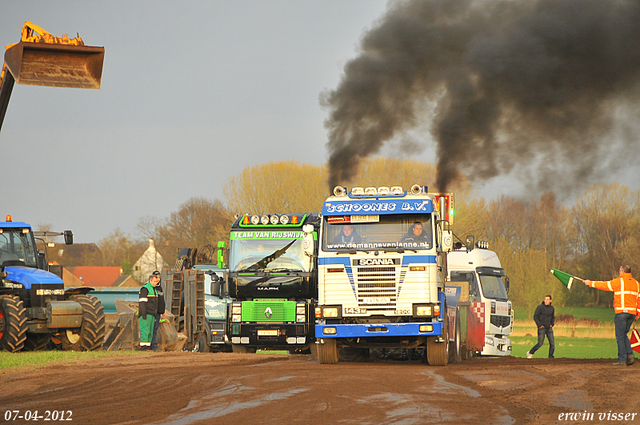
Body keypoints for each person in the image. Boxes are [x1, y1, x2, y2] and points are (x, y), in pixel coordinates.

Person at [584, 265, 640, 366]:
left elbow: (605, 285)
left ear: (623, 271)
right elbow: (639, 299)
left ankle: (622, 360)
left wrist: (590, 283)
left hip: (621, 312)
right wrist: (638, 313)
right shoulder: (636, 283)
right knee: (624, 334)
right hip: (632, 313)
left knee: (619, 336)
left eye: (619, 270)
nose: (619, 272)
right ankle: (630, 356)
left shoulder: (619, 281)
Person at [139, 270, 164, 350]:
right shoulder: (145, 289)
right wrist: (143, 314)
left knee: (151, 331)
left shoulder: (156, 290)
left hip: (153, 314)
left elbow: (158, 303)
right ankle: (144, 347)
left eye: (158, 279)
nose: (157, 281)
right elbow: (142, 303)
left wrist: (159, 313)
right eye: (155, 279)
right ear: (150, 280)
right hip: (147, 314)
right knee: (145, 331)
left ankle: (149, 347)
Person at [527, 295, 555, 359]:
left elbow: (553, 317)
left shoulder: (552, 308)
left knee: (552, 344)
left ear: (550, 300)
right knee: (540, 343)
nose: (546, 301)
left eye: (547, 300)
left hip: (549, 328)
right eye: (545, 299)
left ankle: (551, 357)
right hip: (542, 328)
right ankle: (530, 352)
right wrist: (539, 325)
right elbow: (535, 316)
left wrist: (552, 324)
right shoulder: (540, 307)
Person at [150, 271, 167, 351]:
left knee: (155, 329)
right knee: (152, 329)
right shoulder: (150, 288)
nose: (158, 279)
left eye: (159, 277)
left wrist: (163, 311)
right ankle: (153, 346)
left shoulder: (159, 288)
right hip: (153, 313)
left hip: (158, 313)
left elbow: (161, 301)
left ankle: (154, 345)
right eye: (156, 277)